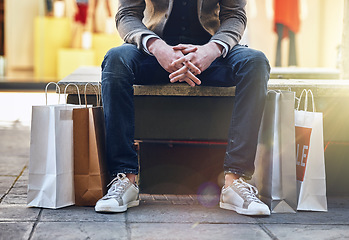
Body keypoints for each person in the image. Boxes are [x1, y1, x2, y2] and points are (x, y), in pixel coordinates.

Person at [95, 0, 271, 216]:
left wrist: (211, 50)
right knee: (115, 60)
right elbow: (126, 15)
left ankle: (235, 181)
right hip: (152, 53)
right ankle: (125, 178)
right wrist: (156, 46)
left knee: (255, 62)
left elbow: (235, 15)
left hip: (210, 53)